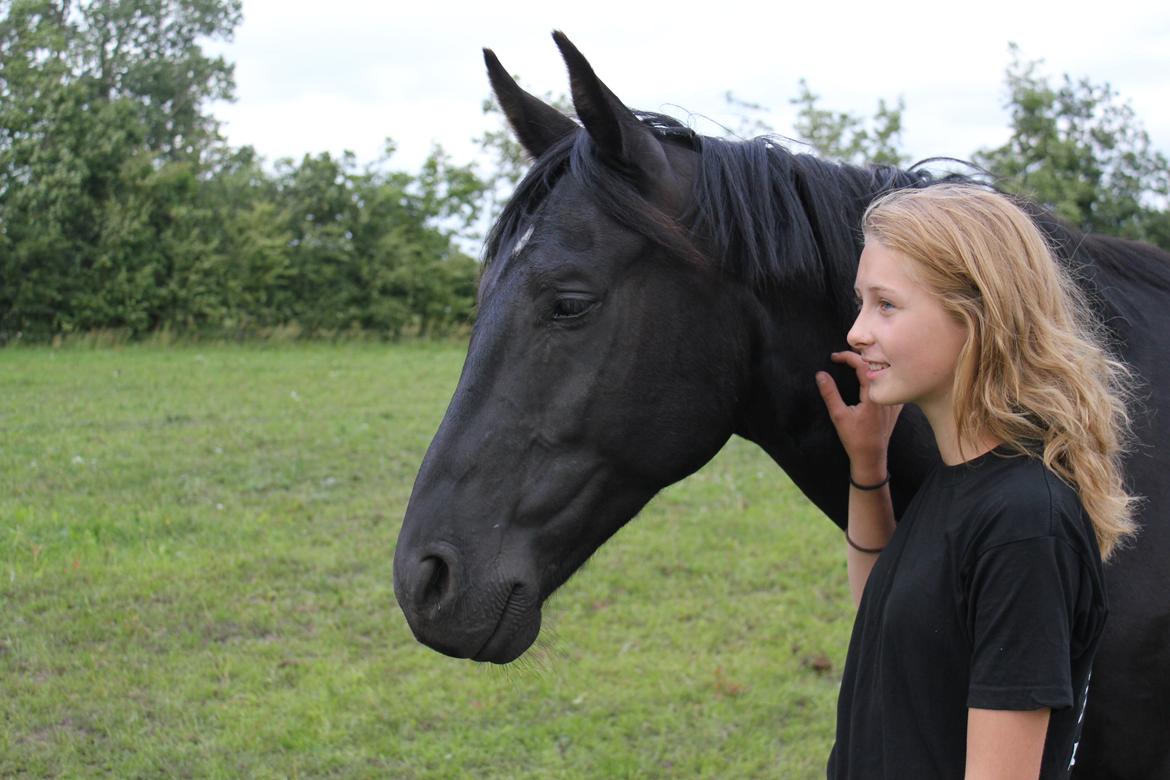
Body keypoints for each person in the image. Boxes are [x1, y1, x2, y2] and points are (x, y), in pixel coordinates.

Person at [814, 184, 1137, 779]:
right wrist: (868, 470)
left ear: (976, 315)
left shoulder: (1023, 521)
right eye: (861, 302)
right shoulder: (961, 480)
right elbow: (884, 621)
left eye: (885, 304)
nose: (857, 331)